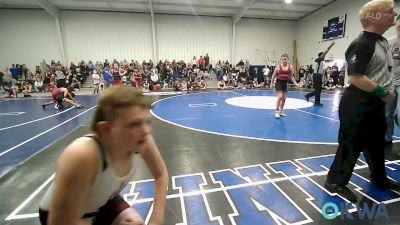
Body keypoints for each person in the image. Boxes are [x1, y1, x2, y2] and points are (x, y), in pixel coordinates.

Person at [38, 86, 168, 225]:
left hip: (102, 201)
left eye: (147, 121)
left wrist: (155, 222)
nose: (145, 130)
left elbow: (161, 175)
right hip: (62, 216)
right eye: (134, 124)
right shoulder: (83, 154)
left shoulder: (142, 140)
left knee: (136, 223)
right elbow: (60, 222)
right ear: (106, 129)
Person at [325, 0, 400, 203]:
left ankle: (379, 178)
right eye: (388, 11)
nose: (394, 13)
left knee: (376, 144)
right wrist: (382, 91)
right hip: (357, 104)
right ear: (374, 16)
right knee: (350, 144)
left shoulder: (382, 42)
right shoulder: (362, 43)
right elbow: (355, 77)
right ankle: (335, 181)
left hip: (375, 104)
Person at [304, 41, 335, 106]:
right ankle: (308, 96)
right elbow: (326, 52)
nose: (324, 56)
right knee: (318, 90)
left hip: (318, 76)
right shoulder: (318, 59)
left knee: (319, 90)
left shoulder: (320, 62)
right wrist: (331, 45)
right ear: (320, 56)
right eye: (323, 55)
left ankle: (316, 101)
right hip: (317, 76)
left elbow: (320, 69)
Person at [385, 15, 400, 145]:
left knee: (399, 115)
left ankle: (397, 115)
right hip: (390, 82)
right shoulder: (388, 42)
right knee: (386, 113)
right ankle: (387, 138)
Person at [270, 54, 299, 118]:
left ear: (288, 60)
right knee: (280, 97)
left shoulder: (290, 67)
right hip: (278, 82)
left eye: (285, 59)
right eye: (282, 59)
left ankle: (281, 111)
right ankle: (277, 112)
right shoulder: (278, 66)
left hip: (285, 83)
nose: (284, 60)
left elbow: (291, 76)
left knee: (284, 98)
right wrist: (271, 83)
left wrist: (295, 83)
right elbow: (273, 75)